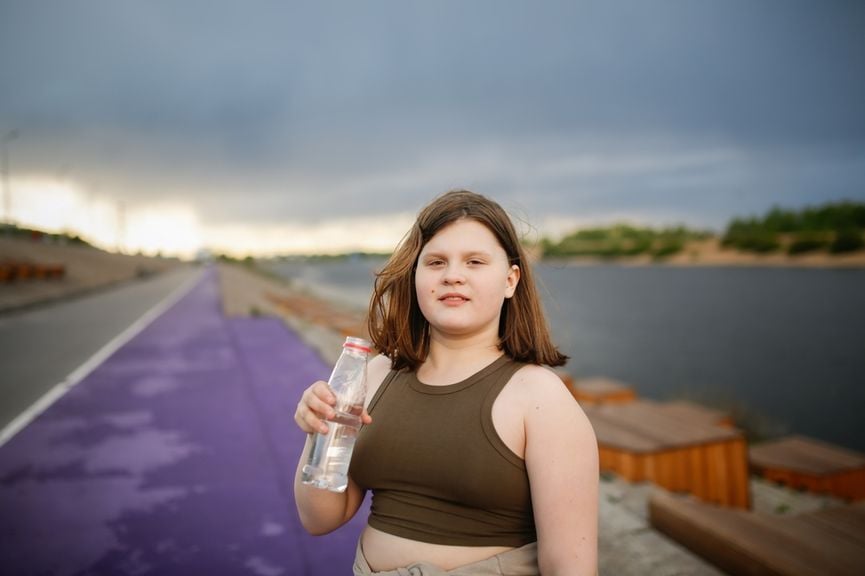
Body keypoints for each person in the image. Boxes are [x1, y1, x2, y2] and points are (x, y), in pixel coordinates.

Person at [294, 189, 599, 575]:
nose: (453, 275)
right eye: (436, 262)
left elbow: (569, 567)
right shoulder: (375, 375)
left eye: (474, 262)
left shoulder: (539, 396)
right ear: (415, 275)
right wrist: (318, 433)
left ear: (510, 279)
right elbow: (320, 519)